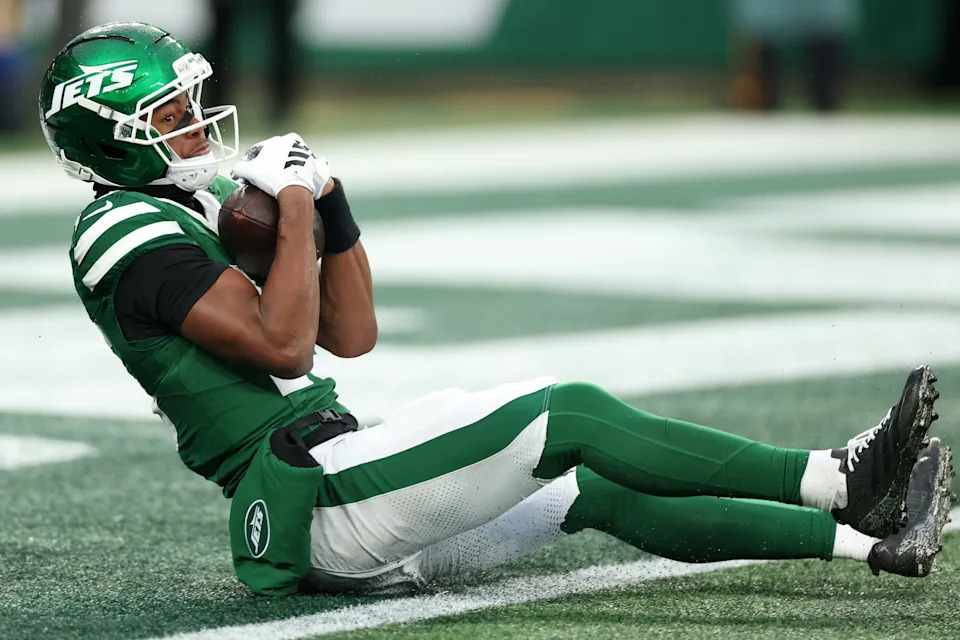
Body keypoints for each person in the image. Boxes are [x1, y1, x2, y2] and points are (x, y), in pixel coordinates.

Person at [40, 21, 954, 597]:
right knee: (569, 412)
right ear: (112, 141)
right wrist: (284, 206)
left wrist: (329, 202)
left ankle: (867, 545)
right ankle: (839, 478)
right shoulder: (119, 228)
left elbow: (348, 336)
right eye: (172, 115)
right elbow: (285, 348)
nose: (199, 125)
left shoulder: (178, 210)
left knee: (589, 490)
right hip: (310, 495)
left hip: (333, 474)